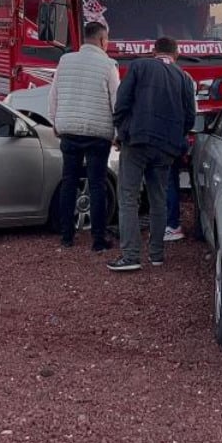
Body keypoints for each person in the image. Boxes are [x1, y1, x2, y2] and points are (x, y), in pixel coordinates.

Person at [109, 36, 195, 272]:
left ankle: (130, 256)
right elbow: (190, 116)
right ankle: (157, 254)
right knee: (159, 199)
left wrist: (120, 130)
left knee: (128, 197)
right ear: (175, 54)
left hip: (137, 141)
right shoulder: (184, 78)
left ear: (154, 50)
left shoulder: (139, 66)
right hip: (166, 148)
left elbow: (122, 102)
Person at [47, 22, 120, 251]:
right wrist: (117, 133)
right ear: (101, 40)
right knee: (97, 184)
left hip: (68, 130)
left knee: (69, 181)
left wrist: (56, 123)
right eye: (106, 40)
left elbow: (53, 95)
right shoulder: (109, 65)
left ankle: (67, 236)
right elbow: (116, 101)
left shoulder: (65, 61)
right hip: (97, 133)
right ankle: (98, 239)